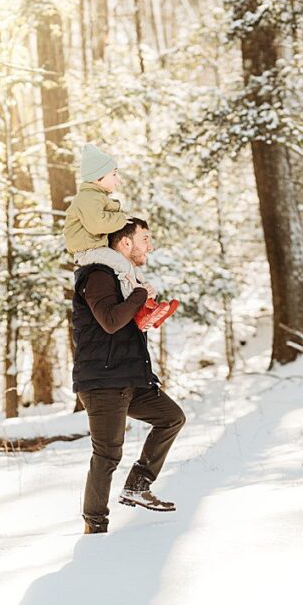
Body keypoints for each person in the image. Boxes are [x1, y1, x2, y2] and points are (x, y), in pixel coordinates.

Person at [72, 217, 187, 534]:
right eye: (145, 238)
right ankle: (94, 526)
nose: (149, 245)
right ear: (125, 243)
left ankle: (137, 485)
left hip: (130, 379)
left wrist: (146, 315)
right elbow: (109, 320)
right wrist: (138, 296)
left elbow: (120, 325)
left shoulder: (123, 278)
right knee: (107, 454)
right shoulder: (98, 275)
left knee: (171, 417)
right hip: (103, 382)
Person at [64, 143, 179, 330]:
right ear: (98, 177)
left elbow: (106, 213)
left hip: (94, 249)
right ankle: (142, 304)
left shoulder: (96, 197)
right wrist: (119, 218)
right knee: (123, 266)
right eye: (114, 175)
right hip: (87, 251)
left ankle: (148, 306)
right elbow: (97, 224)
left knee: (128, 269)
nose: (117, 181)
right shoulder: (88, 198)